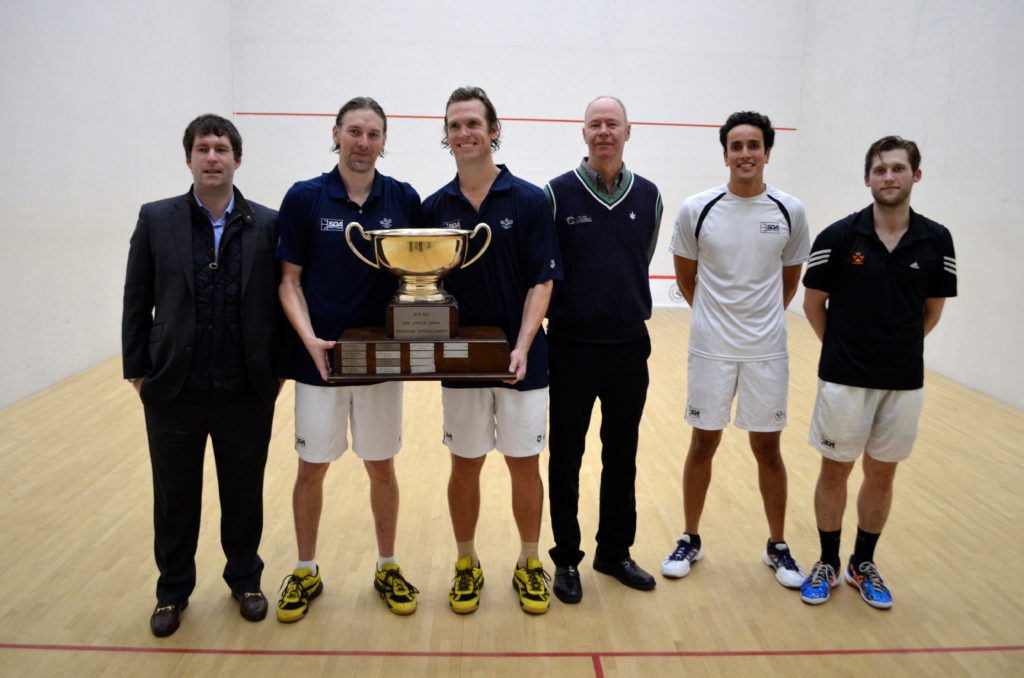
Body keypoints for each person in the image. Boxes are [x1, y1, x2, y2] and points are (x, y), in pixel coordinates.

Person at [122, 114, 285, 637]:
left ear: (238, 159)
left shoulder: (270, 222)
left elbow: (282, 304)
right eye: (202, 148)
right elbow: (136, 299)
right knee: (174, 497)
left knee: (244, 493)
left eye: (221, 148)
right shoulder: (157, 219)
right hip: (173, 389)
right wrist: (137, 372)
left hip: (245, 389)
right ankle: (172, 591)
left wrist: (277, 371)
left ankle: (246, 580)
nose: (212, 157)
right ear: (188, 158)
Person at [275, 97, 422, 621]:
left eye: (374, 134)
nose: (363, 142)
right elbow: (289, 281)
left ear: (384, 141)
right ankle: (306, 571)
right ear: (335, 133)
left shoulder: (402, 198)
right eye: (354, 132)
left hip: (381, 365)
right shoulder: (305, 198)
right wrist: (310, 338)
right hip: (321, 363)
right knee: (311, 467)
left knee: (381, 467)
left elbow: (420, 276)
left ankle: (387, 566)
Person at [422, 86, 563, 615]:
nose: (464, 133)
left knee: (525, 466)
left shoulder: (528, 200)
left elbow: (541, 282)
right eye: (455, 125)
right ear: (447, 135)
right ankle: (466, 562)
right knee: (465, 464)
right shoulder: (434, 207)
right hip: (460, 362)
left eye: (473, 124)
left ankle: (529, 561)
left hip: (523, 362)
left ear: (493, 130)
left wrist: (522, 346)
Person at [799, 136, 957, 609]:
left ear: (915, 176)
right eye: (881, 170)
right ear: (867, 178)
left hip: (904, 381)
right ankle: (827, 560)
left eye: (898, 169)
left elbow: (932, 310)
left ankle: (860, 562)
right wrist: (846, 351)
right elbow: (813, 305)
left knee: (882, 475)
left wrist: (897, 350)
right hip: (844, 379)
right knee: (836, 470)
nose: (889, 177)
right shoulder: (838, 236)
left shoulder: (936, 239)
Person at [664, 111, 810, 588]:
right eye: (736, 145)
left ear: (767, 152)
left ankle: (778, 546)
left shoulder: (790, 211)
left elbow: (789, 283)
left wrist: (756, 322)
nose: (745, 153)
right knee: (703, 441)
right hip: (710, 349)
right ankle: (690, 537)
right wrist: (717, 319)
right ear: (725, 153)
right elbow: (687, 281)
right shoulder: (697, 209)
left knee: (768, 447)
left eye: (753, 145)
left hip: (767, 351)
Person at [544, 96, 662, 603]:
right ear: (584, 133)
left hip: (628, 347)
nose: (604, 132)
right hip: (570, 346)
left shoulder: (650, 195)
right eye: (596, 124)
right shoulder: (556, 194)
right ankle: (567, 559)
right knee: (566, 456)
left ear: (628, 132)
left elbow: (643, 254)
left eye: (613, 124)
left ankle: (614, 551)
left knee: (623, 455)